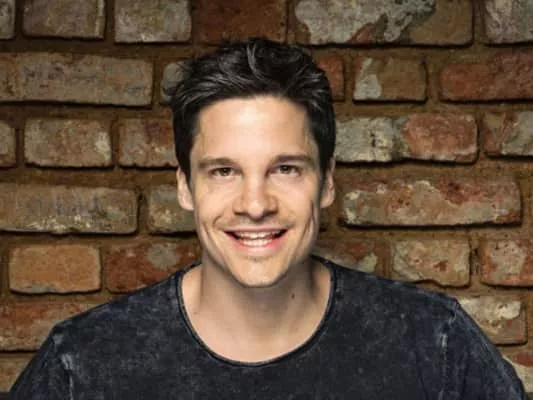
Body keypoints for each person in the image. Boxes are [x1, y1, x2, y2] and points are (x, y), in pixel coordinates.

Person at [10, 38, 525, 399]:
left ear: (326, 182)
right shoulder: (83, 364)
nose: (255, 205)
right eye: (224, 171)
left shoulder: (434, 344)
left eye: (285, 169)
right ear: (185, 186)